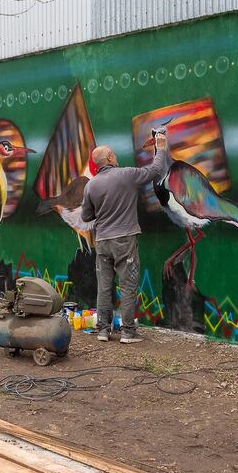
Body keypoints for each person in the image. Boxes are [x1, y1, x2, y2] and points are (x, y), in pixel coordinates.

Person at [80, 131, 171, 344]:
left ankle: (103, 330)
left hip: (102, 241)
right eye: (114, 155)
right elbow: (156, 171)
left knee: (104, 286)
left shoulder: (90, 185)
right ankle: (128, 333)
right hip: (124, 239)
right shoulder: (126, 175)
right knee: (128, 285)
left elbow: (86, 216)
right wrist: (161, 148)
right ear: (110, 158)